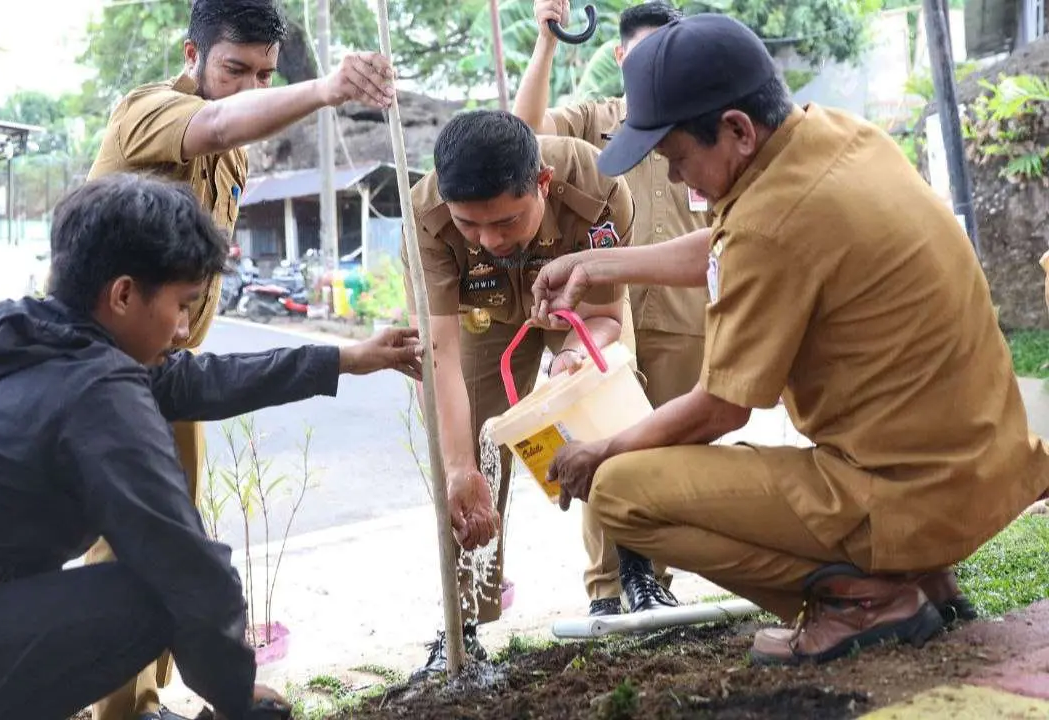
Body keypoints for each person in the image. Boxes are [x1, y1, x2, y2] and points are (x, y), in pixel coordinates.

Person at [0, 173, 422, 720]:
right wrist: (235, 695)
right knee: (157, 593)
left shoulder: (38, 341)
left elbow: (193, 378)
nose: (186, 326)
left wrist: (346, 358)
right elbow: (187, 568)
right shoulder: (94, 391)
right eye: (183, 304)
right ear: (123, 294)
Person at [531, 13, 1049, 666]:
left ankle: (863, 600)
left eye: (677, 158)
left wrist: (601, 450)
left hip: (906, 498)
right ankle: (914, 580)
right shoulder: (835, 138)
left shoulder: (773, 222)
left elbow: (721, 406)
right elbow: (735, 247)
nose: (673, 181)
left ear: (738, 130)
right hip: (979, 472)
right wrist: (602, 264)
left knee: (620, 493)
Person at [82, 1, 394, 717]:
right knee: (132, 534)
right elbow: (215, 122)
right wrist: (325, 89)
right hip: (99, 370)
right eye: (235, 69)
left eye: (265, 73)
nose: (251, 88)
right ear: (191, 56)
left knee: (173, 533)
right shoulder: (149, 111)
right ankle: (121, 709)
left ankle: (145, 696)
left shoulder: (238, 152)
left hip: (165, 368)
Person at [402, 109, 645, 679]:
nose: (489, 240)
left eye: (507, 222)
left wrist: (576, 355)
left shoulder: (600, 188)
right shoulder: (425, 213)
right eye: (471, 227)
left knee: (611, 418)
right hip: (481, 318)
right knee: (469, 463)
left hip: (573, 304)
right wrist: (461, 467)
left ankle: (634, 576)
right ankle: (460, 625)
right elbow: (437, 354)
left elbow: (606, 315)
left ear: (541, 183)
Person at [512, 0, 708, 616]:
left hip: (683, 316)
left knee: (667, 448)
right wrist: (546, 45)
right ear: (621, 58)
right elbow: (520, 134)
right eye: (644, 57)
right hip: (607, 314)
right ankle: (607, 587)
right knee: (603, 440)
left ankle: (652, 581)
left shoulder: (702, 133)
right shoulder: (592, 121)